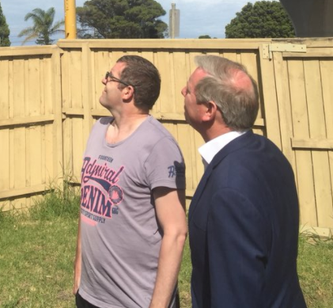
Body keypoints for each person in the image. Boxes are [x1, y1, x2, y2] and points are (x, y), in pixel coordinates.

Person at [183, 55, 307, 308]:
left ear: (209, 110)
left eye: (189, 90)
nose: (182, 91)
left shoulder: (229, 190)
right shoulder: (267, 151)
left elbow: (234, 295)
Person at [74, 55, 187, 308]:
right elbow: (88, 205)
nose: (104, 80)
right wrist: (79, 267)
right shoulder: (98, 129)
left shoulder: (159, 146)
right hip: (91, 295)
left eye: (110, 77)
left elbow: (176, 232)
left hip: (136, 300)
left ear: (127, 91)